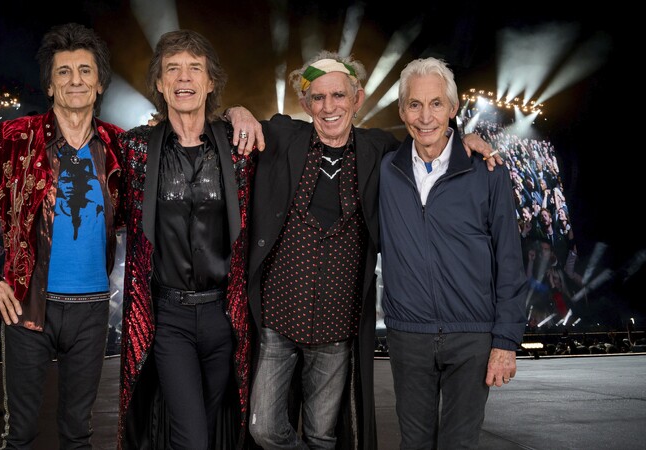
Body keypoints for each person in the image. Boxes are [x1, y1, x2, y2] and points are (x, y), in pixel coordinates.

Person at [225, 50, 496, 449]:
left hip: (337, 325)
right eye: (318, 97)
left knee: (322, 434)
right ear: (305, 103)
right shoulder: (282, 135)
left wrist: (465, 140)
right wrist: (237, 111)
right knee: (262, 427)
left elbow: (430, 139)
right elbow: (223, 126)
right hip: (278, 317)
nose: (329, 106)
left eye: (338, 95)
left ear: (357, 99)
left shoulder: (380, 149)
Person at [0, 23, 124, 449]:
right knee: (21, 435)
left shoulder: (119, 144)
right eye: (64, 71)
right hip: (26, 307)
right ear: (49, 85)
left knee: (78, 434)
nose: (75, 80)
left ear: (100, 83)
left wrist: (236, 115)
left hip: (92, 309)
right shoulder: (16, 137)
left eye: (85, 70)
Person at [116, 29, 261, 450]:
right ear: (160, 83)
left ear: (210, 82)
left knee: (214, 431)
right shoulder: (135, 149)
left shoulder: (238, 148)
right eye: (173, 69)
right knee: (192, 437)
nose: (183, 77)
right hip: (168, 318)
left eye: (194, 68)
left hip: (224, 316)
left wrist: (239, 112)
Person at [377, 57, 527, 449]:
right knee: (414, 444)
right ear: (402, 110)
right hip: (408, 335)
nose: (425, 117)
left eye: (436, 104)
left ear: (453, 108)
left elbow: (510, 261)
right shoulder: (385, 171)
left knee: (460, 444)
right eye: (414, 105)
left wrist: (505, 341)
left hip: (472, 336)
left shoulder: (488, 172)